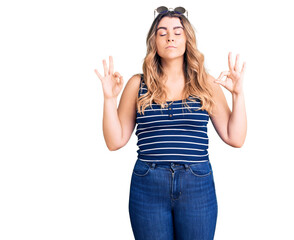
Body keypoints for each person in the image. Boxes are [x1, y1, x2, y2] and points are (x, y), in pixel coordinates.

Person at [94, 6, 247, 240]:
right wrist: (108, 98)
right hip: (148, 185)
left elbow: (234, 138)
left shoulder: (206, 84)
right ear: (154, 41)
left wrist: (238, 95)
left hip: (197, 184)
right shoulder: (138, 84)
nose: (170, 36)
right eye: (162, 32)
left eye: (177, 31)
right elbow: (115, 142)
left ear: (187, 39)